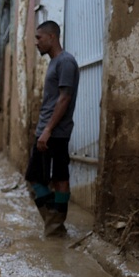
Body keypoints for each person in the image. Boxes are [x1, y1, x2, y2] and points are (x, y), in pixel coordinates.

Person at [26, 20, 79, 237]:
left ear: (52, 37)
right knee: (36, 177)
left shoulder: (65, 62)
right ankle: (55, 223)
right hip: (48, 130)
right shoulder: (55, 62)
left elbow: (64, 99)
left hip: (55, 132)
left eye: (39, 38)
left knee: (57, 178)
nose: (36, 42)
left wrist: (47, 130)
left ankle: (55, 225)